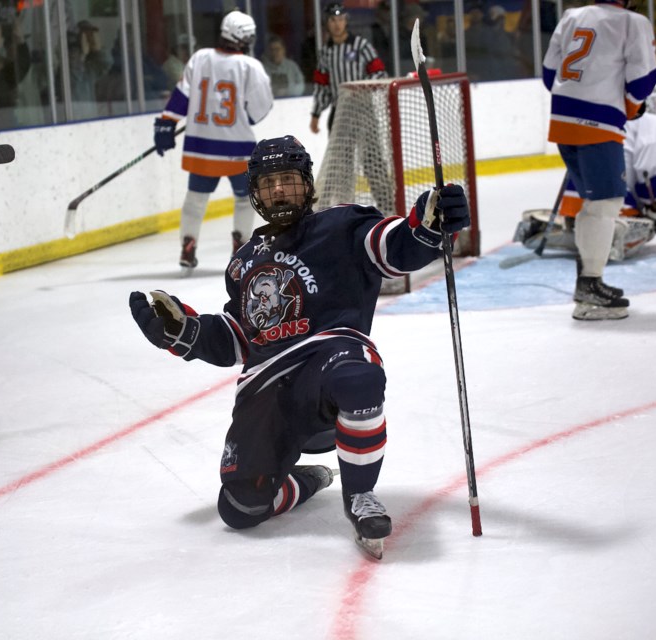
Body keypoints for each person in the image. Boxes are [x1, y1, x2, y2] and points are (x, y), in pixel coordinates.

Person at [128, 136, 470, 559]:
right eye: (269, 183)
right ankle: (308, 480)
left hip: (327, 363)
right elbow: (241, 337)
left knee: (358, 375)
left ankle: (360, 496)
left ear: (308, 184)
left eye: (288, 180)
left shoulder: (344, 226)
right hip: (267, 389)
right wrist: (185, 333)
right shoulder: (243, 263)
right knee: (239, 508)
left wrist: (427, 226)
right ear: (254, 193)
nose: (278, 191)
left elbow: (394, 246)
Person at [542, 0, 656, 320]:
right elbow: (643, 81)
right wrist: (631, 108)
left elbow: (549, 73)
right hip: (599, 123)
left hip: (564, 121)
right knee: (605, 205)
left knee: (592, 205)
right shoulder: (632, 22)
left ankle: (588, 281)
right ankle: (590, 290)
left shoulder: (571, 16)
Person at [153, 10, 273, 272]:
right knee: (244, 199)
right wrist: (243, 116)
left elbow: (182, 97)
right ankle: (240, 247)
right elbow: (259, 111)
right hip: (237, 149)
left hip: (202, 146)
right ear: (246, 38)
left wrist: (166, 123)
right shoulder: (250, 66)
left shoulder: (200, 57)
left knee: (195, 199)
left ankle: (188, 245)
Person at [514, 85, 656, 261]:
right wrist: (655, 211)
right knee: (647, 224)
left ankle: (571, 228)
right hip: (612, 204)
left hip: (573, 203)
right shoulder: (652, 122)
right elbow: (650, 175)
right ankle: (612, 236)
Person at [310, 2, 386, 135]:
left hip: (364, 110)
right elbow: (322, 87)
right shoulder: (325, 53)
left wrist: (361, 89)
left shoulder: (361, 46)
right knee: (340, 156)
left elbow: (379, 73)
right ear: (326, 23)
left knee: (371, 154)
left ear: (346, 20)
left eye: (340, 19)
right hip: (339, 112)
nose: (337, 24)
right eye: (332, 20)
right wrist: (315, 115)